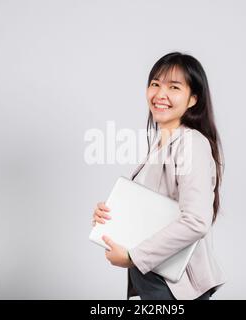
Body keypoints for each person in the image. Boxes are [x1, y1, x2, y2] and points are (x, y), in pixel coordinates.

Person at [91, 52, 227, 300]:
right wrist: (110, 217)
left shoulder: (191, 143)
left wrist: (133, 257)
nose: (160, 94)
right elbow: (153, 212)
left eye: (174, 87)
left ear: (193, 99)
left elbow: (197, 221)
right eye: (155, 84)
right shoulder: (163, 143)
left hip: (173, 286)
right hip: (154, 278)